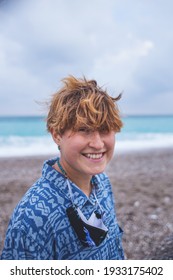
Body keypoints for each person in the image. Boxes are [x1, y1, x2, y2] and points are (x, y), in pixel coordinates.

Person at [1, 75, 124, 260]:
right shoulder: (33, 216)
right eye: (84, 129)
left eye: (105, 129)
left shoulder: (102, 183)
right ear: (57, 134)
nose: (98, 144)